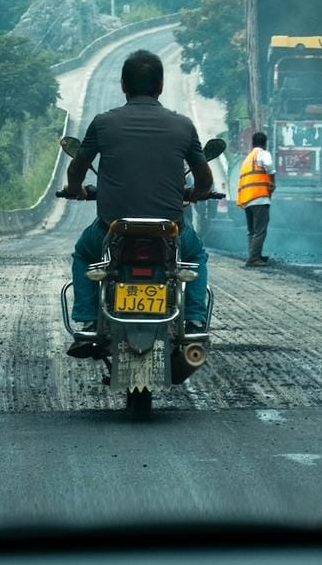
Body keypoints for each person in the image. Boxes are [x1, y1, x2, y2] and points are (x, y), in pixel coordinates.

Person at [63, 48, 213, 355]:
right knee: (195, 255)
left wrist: (76, 189)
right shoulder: (183, 126)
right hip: (168, 229)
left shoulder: (103, 123)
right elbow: (204, 178)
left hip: (113, 229)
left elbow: (76, 169)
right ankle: (194, 320)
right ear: (160, 85)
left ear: (123, 85)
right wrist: (196, 194)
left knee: (84, 254)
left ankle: (88, 320)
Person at [237, 131, 275, 268]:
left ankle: (254, 255)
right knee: (260, 230)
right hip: (259, 197)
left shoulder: (247, 159)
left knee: (252, 231)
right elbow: (269, 167)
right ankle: (253, 259)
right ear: (265, 143)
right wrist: (272, 182)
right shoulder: (263, 153)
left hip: (247, 199)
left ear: (252, 143)